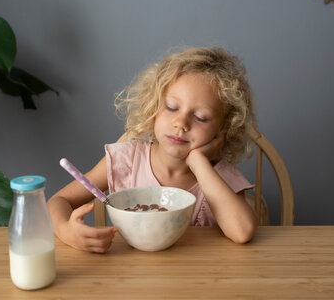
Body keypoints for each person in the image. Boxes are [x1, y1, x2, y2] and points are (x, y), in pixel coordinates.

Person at [48, 47, 258, 253]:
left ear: (222, 130)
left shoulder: (221, 177)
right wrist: (66, 230)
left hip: (198, 279)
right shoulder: (126, 161)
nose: (181, 123)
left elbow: (242, 231)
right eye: (172, 107)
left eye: (201, 117)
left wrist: (198, 162)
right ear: (154, 107)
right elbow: (59, 201)